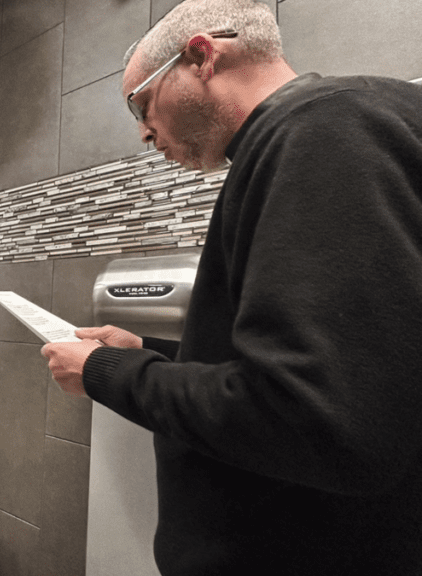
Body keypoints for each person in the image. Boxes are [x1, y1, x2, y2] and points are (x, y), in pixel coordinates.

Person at [41, 1, 422, 574]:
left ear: (201, 55)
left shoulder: (323, 132)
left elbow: (315, 419)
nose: (143, 132)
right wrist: (148, 354)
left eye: (140, 104)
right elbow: (317, 369)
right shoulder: (310, 135)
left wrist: (104, 373)